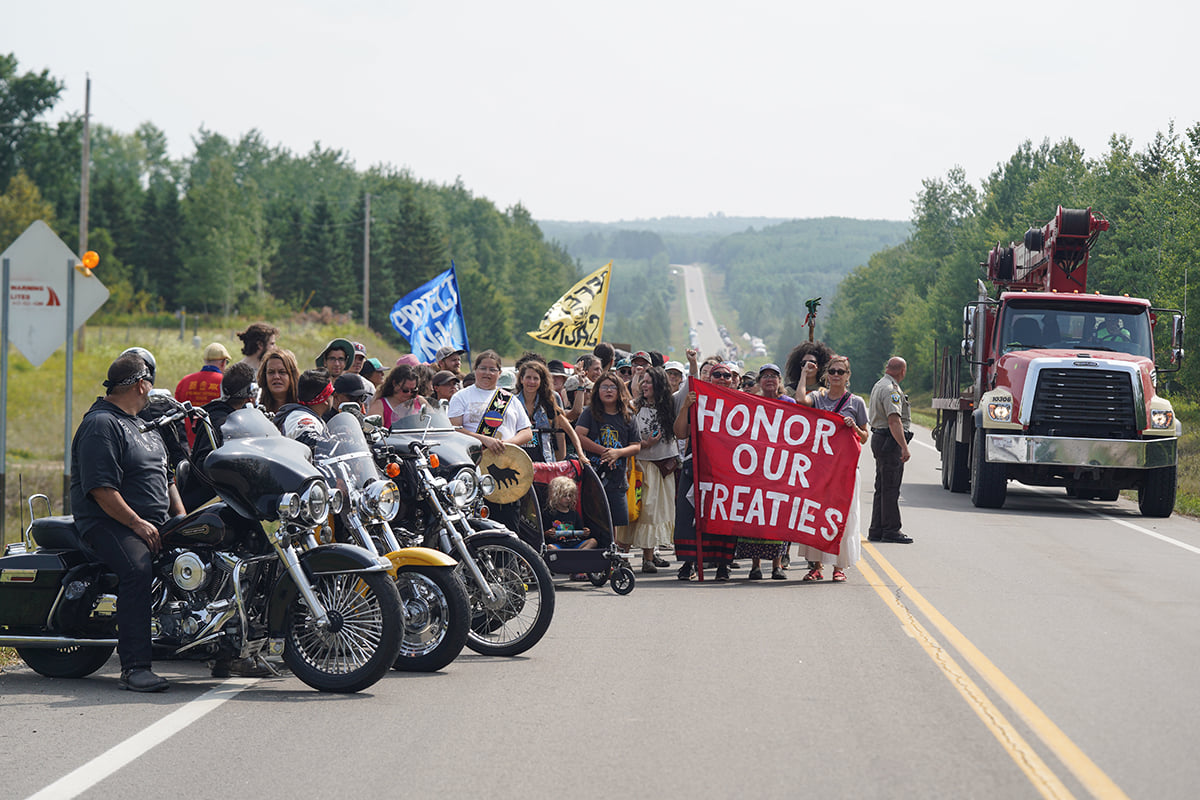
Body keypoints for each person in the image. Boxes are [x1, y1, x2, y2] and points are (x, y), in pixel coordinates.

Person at [70, 353, 184, 692]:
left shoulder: (143, 424)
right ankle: (135, 667)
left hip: (151, 520)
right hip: (109, 523)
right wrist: (137, 524)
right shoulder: (101, 424)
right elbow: (102, 490)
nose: (151, 389)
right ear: (140, 384)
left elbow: (167, 478)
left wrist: (182, 519)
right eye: (150, 383)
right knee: (137, 569)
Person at [797, 354, 868, 581]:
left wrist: (854, 427)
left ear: (848, 376)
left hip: (844, 471)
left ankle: (839, 567)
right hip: (819, 469)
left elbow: (865, 437)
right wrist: (803, 374)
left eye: (841, 372)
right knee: (815, 515)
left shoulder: (856, 403)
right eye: (832, 371)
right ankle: (816, 565)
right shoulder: (818, 397)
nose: (836, 375)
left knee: (843, 517)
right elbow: (800, 400)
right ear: (826, 375)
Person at [448, 350, 533, 531]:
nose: (487, 373)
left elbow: (527, 432)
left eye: (492, 369)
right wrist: (484, 440)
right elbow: (454, 429)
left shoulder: (509, 399)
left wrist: (508, 445)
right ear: (475, 370)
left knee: (509, 526)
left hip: (506, 468)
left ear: (499, 373)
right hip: (473, 468)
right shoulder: (462, 396)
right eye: (483, 368)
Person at [575, 373, 639, 549]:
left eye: (613, 387)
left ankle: (612, 556)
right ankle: (592, 557)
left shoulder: (627, 415)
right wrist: (605, 452)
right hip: (592, 477)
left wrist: (618, 453)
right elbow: (579, 436)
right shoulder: (590, 412)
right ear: (597, 391)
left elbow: (636, 446)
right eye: (604, 386)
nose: (609, 390)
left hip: (617, 479)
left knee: (615, 522)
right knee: (594, 519)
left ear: (620, 391)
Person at [624, 367, 678, 574]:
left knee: (651, 513)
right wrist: (644, 444)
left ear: (659, 385)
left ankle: (648, 558)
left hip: (662, 466)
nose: (644, 385)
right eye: (642, 382)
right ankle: (624, 556)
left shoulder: (670, 405)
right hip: (638, 466)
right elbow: (626, 435)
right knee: (633, 510)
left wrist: (692, 363)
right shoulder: (632, 407)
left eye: (649, 382)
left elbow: (691, 386)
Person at [868, 357, 912, 544]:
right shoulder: (891, 390)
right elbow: (894, 420)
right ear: (902, 371)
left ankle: (877, 528)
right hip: (889, 440)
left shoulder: (880, 384)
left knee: (882, 487)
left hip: (880, 437)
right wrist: (904, 446)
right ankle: (891, 529)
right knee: (891, 487)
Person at [516, 360, 583, 463]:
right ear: (521, 379)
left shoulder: (547, 405)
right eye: (528, 377)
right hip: (518, 462)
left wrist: (581, 455)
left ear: (541, 381)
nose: (532, 382)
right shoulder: (512, 403)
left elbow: (570, 431)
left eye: (536, 378)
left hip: (544, 463)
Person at [175, 343, 230, 446]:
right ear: (223, 362)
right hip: (215, 443)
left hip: (189, 445)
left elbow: (177, 414)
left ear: (205, 361)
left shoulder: (185, 381)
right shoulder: (224, 382)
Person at [275, 369, 334, 448]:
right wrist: (333, 444)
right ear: (325, 399)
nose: (334, 397)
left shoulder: (305, 415)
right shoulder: (301, 417)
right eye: (332, 393)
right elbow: (306, 437)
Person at [543, 475, 597, 550]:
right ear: (556, 496)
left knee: (593, 541)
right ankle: (573, 556)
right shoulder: (549, 513)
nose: (568, 498)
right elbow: (543, 534)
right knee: (550, 547)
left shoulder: (574, 513)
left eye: (570, 496)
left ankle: (577, 554)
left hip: (575, 544)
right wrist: (548, 533)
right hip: (559, 545)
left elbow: (580, 531)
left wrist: (585, 532)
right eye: (565, 496)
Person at [257, 348, 300, 414]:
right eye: (271, 372)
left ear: (292, 376)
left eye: (282, 372)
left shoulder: (302, 408)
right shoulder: (256, 407)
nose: (276, 377)